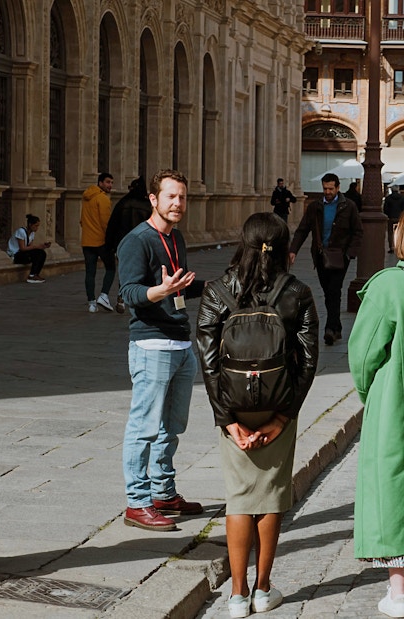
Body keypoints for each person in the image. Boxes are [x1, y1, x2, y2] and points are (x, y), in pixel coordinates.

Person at [197, 212, 318, 618]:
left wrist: (226, 419)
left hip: (233, 406)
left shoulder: (217, 291)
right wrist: (283, 417)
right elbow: (307, 360)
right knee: (270, 497)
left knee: (239, 499)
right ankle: (263, 591)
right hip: (277, 403)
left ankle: (236, 595)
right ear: (284, 248)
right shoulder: (297, 292)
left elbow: (208, 360)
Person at [117, 169, 205, 532]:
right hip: (151, 343)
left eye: (182, 197)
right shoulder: (137, 241)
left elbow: (180, 288)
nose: (178, 203)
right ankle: (137, 503)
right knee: (144, 427)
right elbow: (130, 294)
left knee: (172, 426)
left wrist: (221, 287)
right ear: (153, 199)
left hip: (182, 342)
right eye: (171, 196)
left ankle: (163, 492)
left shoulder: (176, 238)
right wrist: (162, 291)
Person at [348, 212, 404, 619]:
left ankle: (399, 590)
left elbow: (364, 355)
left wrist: (373, 393)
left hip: (397, 402)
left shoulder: (389, 287)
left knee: (393, 487)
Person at [289, 172, 363, 346]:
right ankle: (336, 327)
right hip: (321, 257)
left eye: (331, 188)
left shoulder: (348, 206)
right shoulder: (315, 207)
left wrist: (349, 254)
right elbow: (302, 229)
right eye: (325, 188)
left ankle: (330, 329)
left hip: (340, 257)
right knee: (328, 292)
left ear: (338, 187)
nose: (327, 192)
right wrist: (293, 250)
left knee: (334, 290)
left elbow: (358, 232)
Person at [105, 176, 152, 313]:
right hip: (143, 243)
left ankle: (122, 296)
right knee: (142, 270)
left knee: (125, 270)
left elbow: (112, 225)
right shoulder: (147, 206)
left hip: (123, 243)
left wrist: (109, 245)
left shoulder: (123, 203)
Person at [80, 172, 116, 313]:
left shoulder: (86, 197)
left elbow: (82, 220)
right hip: (101, 241)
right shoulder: (103, 199)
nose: (110, 185)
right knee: (111, 268)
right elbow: (105, 223)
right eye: (107, 182)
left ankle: (91, 303)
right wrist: (111, 240)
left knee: (90, 272)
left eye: (111, 182)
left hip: (87, 241)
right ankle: (104, 295)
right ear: (100, 183)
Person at [7, 213, 50, 283]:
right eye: (35, 226)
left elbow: (30, 247)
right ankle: (32, 276)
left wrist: (42, 246)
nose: (37, 228)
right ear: (30, 224)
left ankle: (35, 274)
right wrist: (36, 247)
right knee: (38, 253)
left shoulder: (32, 233)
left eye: (38, 226)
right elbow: (22, 248)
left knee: (42, 253)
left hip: (23, 254)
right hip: (15, 255)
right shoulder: (21, 231)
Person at [383, 185, 404, 253]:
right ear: (398, 190)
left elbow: (385, 208)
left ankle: (391, 247)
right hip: (399, 218)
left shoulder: (388, 198)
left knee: (390, 233)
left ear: (391, 190)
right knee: (400, 232)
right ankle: (399, 246)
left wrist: (388, 215)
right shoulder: (402, 198)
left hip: (391, 218)